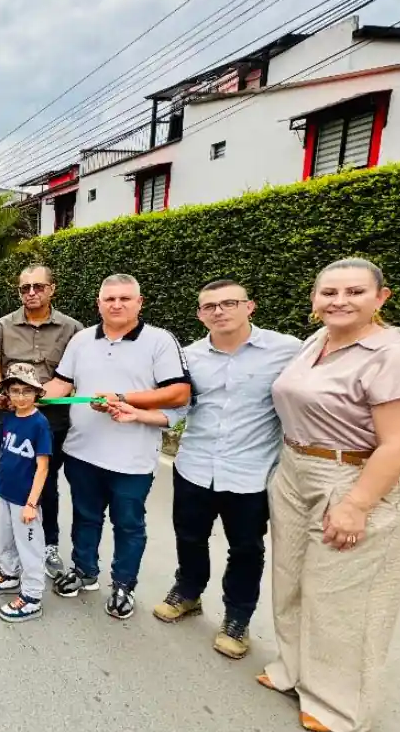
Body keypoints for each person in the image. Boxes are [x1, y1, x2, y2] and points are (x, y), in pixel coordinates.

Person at [262, 258, 400, 732]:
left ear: (381, 298)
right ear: (315, 300)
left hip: (354, 476)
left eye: (354, 292)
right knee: (290, 578)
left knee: (342, 597)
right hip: (296, 470)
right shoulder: (319, 342)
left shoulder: (394, 354)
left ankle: (339, 705)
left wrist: (356, 504)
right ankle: (294, 671)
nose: (339, 301)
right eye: (329, 293)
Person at [118, 280, 299, 659]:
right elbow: (179, 408)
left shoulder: (287, 350)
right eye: (210, 306)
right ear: (200, 315)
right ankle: (188, 592)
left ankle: (237, 617)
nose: (219, 311)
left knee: (246, 549)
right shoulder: (189, 357)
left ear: (250, 306)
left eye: (229, 303)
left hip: (251, 472)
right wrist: (138, 414)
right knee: (190, 537)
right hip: (195, 466)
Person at [42, 274, 191, 621]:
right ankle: (84, 571)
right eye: (109, 299)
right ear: (99, 304)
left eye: (125, 298)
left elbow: (178, 392)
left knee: (128, 523)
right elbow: (62, 384)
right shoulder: (81, 340)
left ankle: (123, 584)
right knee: (86, 517)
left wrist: (121, 398)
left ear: (139, 302)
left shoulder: (159, 342)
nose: (117, 304)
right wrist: (25, 397)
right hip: (82, 451)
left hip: (132, 458)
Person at [0, 264, 82, 577]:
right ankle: (5, 540)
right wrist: (2, 395)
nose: (31, 293)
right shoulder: (2, 326)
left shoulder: (72, 329)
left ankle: (48, 543)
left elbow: (76, 376)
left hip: (50, 422)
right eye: (25, 288)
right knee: (7, 478)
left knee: (46, 483)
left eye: (38, 286)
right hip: (7, 420)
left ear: (52, 289)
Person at [0, 364, 53, 622]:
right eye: (15, 391)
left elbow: (42, 467)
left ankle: (32, 595)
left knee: (30, 545)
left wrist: (32, 503)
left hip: (24, 499)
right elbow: (2, 456)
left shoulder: (39, 424)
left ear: (36, 392)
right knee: (5, 539)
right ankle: (9, 574)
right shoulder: (9, 419)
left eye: (26, 391)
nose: (20, 397)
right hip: (4, 493)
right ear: (7, 393)